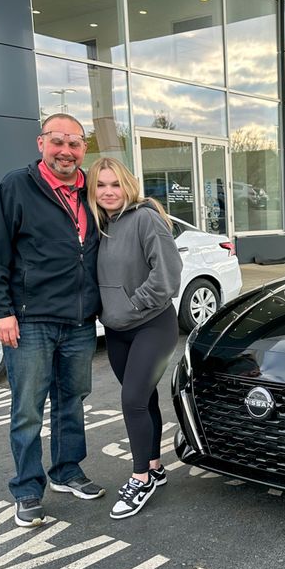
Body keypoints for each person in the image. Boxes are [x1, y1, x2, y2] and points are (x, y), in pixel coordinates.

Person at [0, 115, 106, 528]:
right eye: (58, 141)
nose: (66, 150)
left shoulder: (93, 190)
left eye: (75, 143)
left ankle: (67, 471)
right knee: (28, 408)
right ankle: (28, 488)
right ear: (41, 143)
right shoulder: (17, 186)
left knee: (72, 401)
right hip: (30, 320)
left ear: (84, 148)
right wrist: (2, 310)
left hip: (80, 320)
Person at [86, 157, 182, 520]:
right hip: (117, 330)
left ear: (128, 185)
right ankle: (155, 467)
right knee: (144, 399)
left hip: (153, 325)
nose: (108, 192)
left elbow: (168, 275)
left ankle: (140, 478)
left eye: (115, 184)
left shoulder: (145, 218)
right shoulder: (100, 225)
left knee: (131, 401)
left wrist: (132, 307)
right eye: (100, 185)